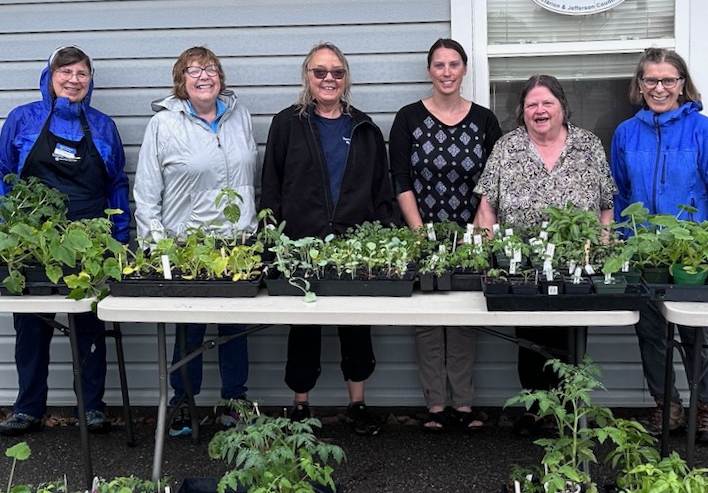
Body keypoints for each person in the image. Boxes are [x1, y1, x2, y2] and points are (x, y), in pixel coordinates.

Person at [0, 45, 130, 436]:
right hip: (33, 241)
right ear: (49, 78)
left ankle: (92, 406)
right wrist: (5, 227)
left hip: (90, 240)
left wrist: (121, 238)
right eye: (65, 72)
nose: (73, 80)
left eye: (81, 73)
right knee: (32, 327)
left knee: (89, 325)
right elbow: (0, 173)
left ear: (90, 80)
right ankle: (28, 408)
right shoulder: (23, 120)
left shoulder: (102, 126)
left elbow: (116, 183)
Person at [260, 42, 395, 435]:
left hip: (355, 245)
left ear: (346, 78)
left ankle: (357, 403)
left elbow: (380, 190)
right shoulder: (287, 125)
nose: (328, 79)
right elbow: (272, 186)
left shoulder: (364, 127)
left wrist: (385, 241)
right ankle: (301, 405)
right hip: (300, 242)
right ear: (307, 77)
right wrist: (273, 240)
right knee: (303, 328)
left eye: (336, 72)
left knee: (356, 326)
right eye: (320, 72)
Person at [474, 75, 615, 437]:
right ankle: (536, 408)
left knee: (570, 337)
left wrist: (603, 247)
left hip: (576, 264)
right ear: (522, 111)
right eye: (532, 104)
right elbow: (487, 208)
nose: (540, 110)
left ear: (562, 107)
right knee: (532, 340)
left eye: (547, 103)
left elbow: (605, 206)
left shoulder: (588, 145)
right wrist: (486, 255)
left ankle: (567, 407)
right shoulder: (507, 148)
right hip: (523, 264)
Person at [610, 47, 708, 446]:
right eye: (651, 80)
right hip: (643, 251)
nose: (660, 88)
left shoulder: (704, 131)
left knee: (695, 334)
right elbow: (618, 194)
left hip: (689, 252)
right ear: (640, 85)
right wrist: (622, 238)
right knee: (650, 332)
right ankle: (667, 404)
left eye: (668, 80)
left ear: (682, 84)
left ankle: (707, 408)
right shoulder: (626, 133)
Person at [133, 46, 259, 435]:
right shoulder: (163, 125)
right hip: (188, 245)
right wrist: (156, 247)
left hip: (236, 244)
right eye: (194, 70)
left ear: (220, 77)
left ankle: (233, 401)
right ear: (181, 80)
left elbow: (249, 178)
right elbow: (147, 191)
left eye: (210, 69)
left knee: (234, 328)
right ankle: (184, 401)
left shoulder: (240, 117)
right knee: (190, 329)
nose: (203, 76)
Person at [390, 39, 502, 433]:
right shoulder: (409, 118)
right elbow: (400, 179)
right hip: (422, 230)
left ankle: (464, 404)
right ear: (429, 71)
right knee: (427, 319)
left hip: (471, 233)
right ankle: (435, 405)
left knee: (464, 317)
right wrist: (418, 232)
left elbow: (493, 182)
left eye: (454, 64)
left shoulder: (485, 121)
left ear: (465, 69)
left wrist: (477, 230)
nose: (447, 71)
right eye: (439, 65)